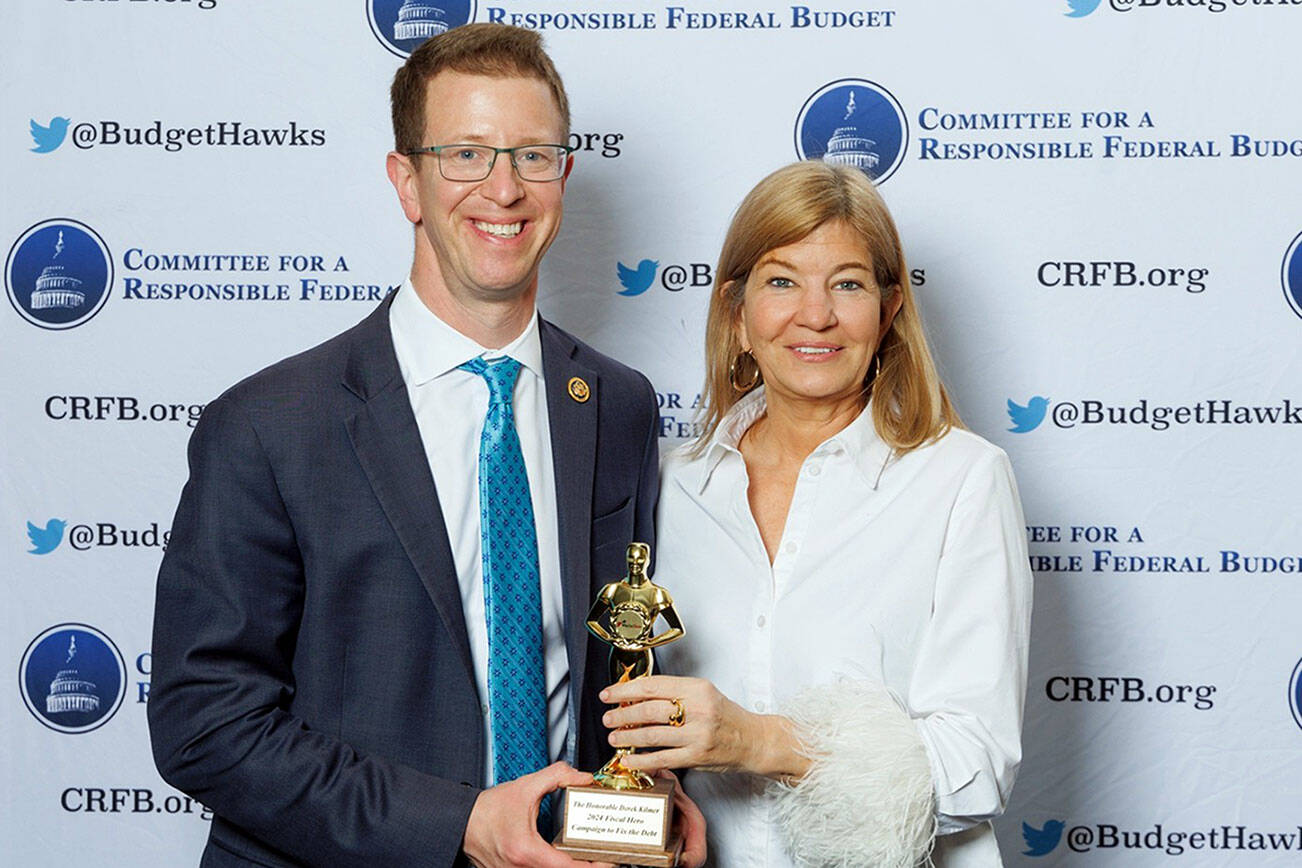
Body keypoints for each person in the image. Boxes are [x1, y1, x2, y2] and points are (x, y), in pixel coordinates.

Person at [147, 23, 703, 868]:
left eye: (532, 155)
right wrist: (459, 825)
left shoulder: (617, 405)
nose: (504, 188)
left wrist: (660, 802)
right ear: (407, 181)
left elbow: (613, 670)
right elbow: (205, 723)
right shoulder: (269, 424)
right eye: (466, 155)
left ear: (564, 175)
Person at [601, 161, 1033, 867]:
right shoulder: (666, 482)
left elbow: (975, 766)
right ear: (736, 313)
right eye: (781, 280)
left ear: (889, 312)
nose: (816, 313)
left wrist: (757, 741)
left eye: (848, 284)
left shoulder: (963, 479)